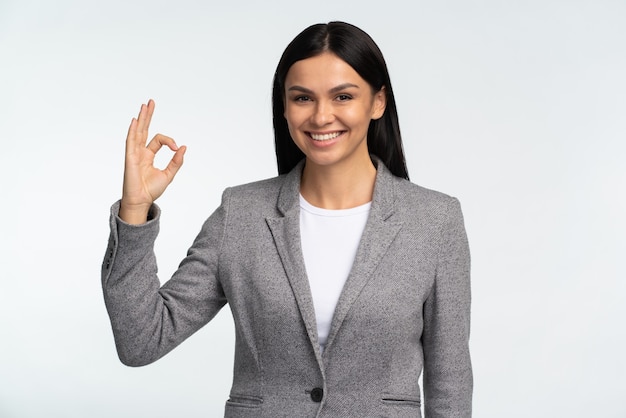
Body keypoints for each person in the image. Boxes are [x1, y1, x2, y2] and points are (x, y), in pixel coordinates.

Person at [102, 21, 472, 417]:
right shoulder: (241, 214)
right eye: (302, 98)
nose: (321, 116)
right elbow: (142, 340)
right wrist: (135, 209)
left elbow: (449, 383)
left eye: (343, 96)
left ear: (378, 102)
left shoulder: (435, 221)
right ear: (284, 105)